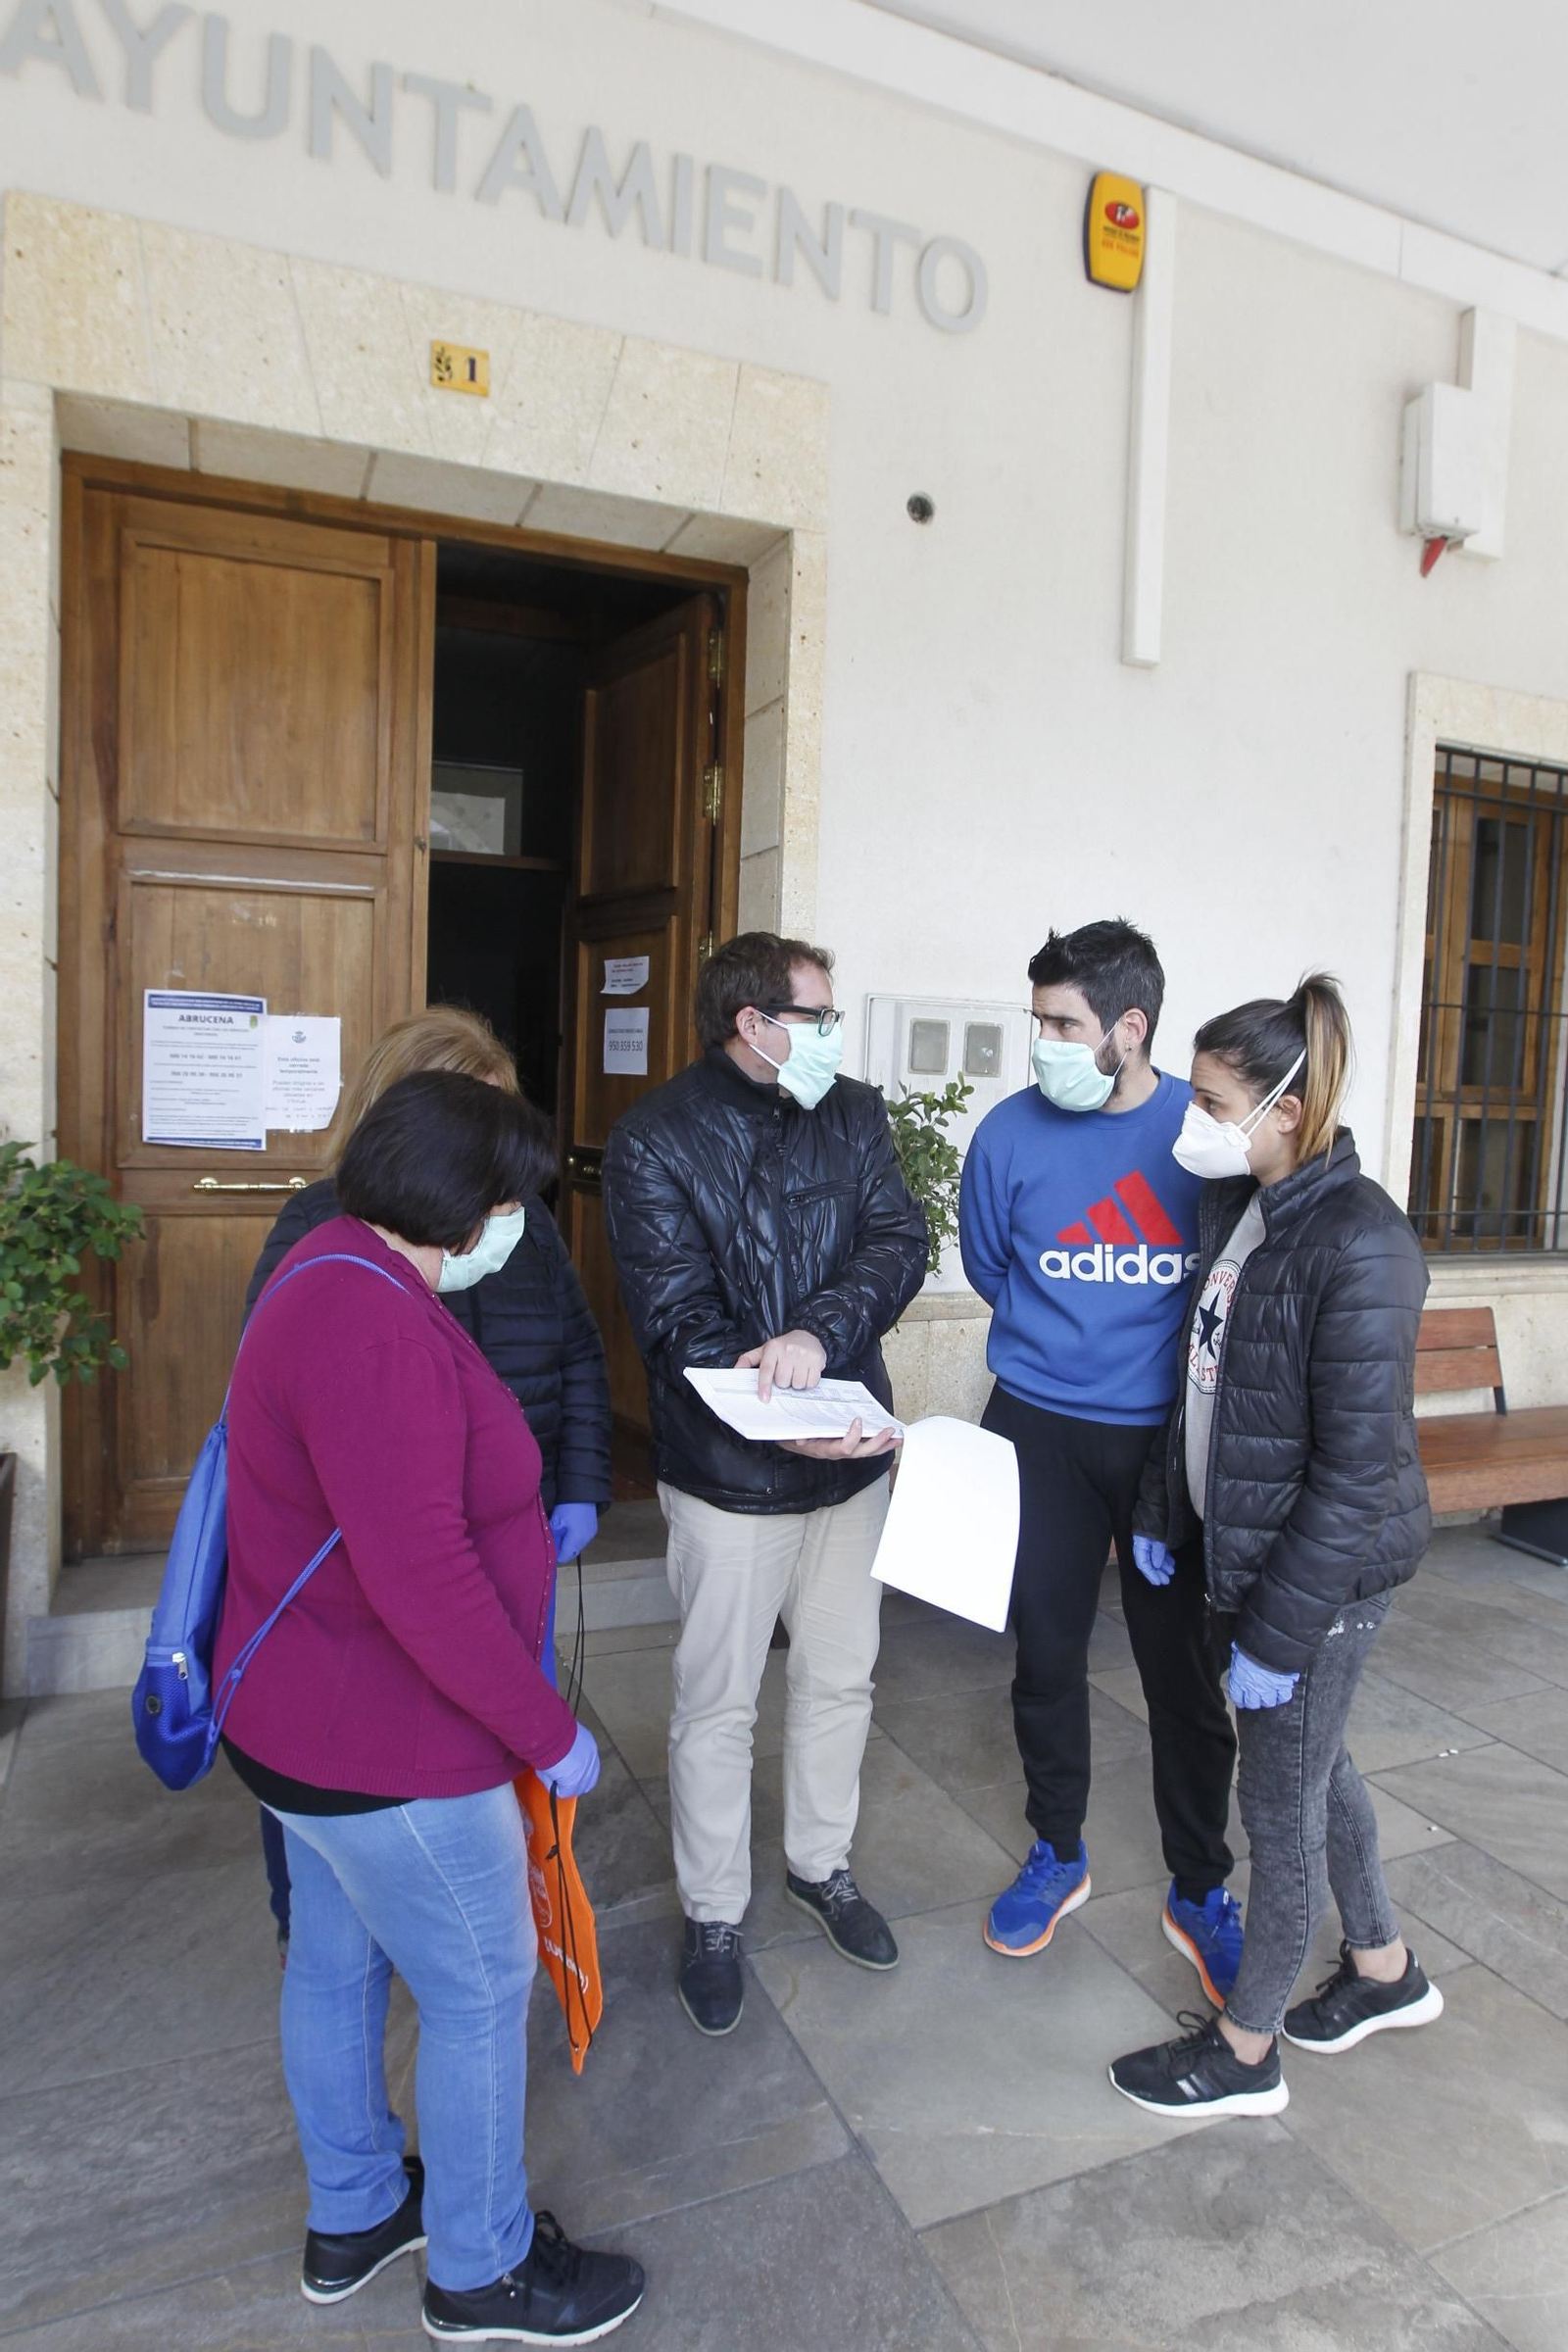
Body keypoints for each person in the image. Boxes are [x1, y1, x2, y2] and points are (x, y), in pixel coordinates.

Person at [216, 1070, 644, 2342]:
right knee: (476, 1985)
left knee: (338, 1965)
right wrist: (548, 1731)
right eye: (510, 1201)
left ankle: (355, 2209)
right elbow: (427, 1584)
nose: (518, 1224)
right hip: (385, 1744)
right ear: (466, 1207)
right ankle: (481, 2268)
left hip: (308, 1720)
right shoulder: (376, 1329)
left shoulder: (337, 1262)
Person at [1109, 976, 1443, 2120]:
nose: (1189, 1123)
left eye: (1209, 1101)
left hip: (1319, 1582)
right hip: (1241, 1552)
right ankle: (1387, 1972)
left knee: (1279, 1809)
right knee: (1319, 1766)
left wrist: (1280, 1634)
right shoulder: (1243, 1208)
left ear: (1285, 1108)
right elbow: (1203, 1385)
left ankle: (1245, 2052)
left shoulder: (1362, 1245)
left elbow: (1354, 1471)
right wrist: (1164, 1513)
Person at [602, 932, 928, 2036]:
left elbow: (896, 1240)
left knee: (841, 1680)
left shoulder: (853, 1111)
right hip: (728, 1476)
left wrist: (818, 1337)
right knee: (716, 1704)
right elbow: (677, 1319)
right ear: (754, 1024)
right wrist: (780, 1422)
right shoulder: (653, 1140)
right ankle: (712, 1913)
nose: (834, 1034)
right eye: (819, 1015)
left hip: (848, 1461)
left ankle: (821, 1869)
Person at [245, 1006, 612, 1956]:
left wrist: (576, 1483)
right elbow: (391, 1538)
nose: (488, 1161)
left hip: (500, 1541)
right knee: (404, 1931)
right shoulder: (329, 1244)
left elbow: (575, 1346)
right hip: (378, 1604)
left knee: (496, 1776)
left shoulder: (516, 1218)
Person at [958, 920, 1243, 2002]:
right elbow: (994, 1266)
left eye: (1062, 1024)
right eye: (1038, 1020)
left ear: (1129, 1027)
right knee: (1044, 1652)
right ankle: (1056, 1850)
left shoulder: (1198, 1134)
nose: (1042, 1043)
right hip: (1037, 1428)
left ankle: (1200, 1884)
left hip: (1168, 1443)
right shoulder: (1007, 1137)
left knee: (1179, 1671)